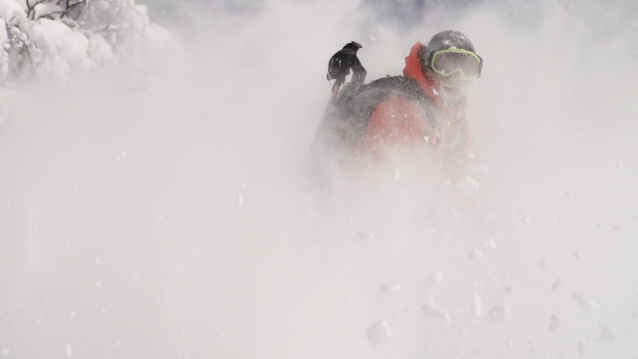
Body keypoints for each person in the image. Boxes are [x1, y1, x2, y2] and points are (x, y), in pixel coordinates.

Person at [308, 30, 485, 194]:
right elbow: (388, 187)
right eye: (445, 66)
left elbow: (469, 178)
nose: (456, 77)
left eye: (468, 68)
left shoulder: (454, 120)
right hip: (341, 204)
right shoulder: (400, 108)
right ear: (427, 65)